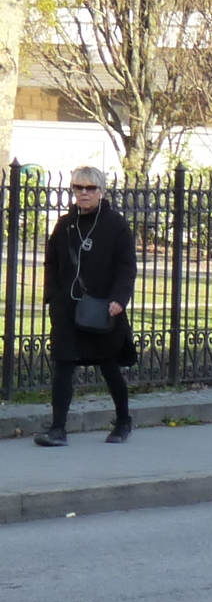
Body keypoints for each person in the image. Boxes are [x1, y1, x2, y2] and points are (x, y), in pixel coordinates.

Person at [36, 167, 137, 447]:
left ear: (101, 192)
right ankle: (58, 428)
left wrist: (119, 298)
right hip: (68, 308)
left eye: (90, 188)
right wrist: (53, 297)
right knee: (64, 365)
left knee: (109, 366)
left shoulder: (116, 225)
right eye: (78, 187)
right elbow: (51, 262)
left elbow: (126, 266)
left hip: (103, 308)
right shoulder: (65, 224)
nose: (83, 193)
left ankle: (123, 421)